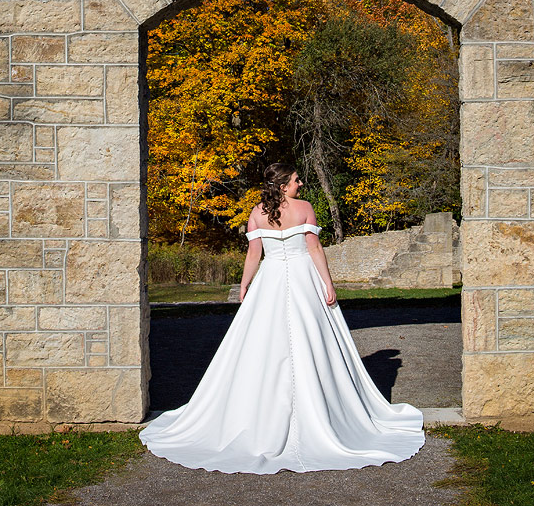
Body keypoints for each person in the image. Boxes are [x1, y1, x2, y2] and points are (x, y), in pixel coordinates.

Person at [139, 161, 426, 474]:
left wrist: (246, 284)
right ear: (283, 183)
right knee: (309, 342)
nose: (300, 184)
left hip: (270, 280)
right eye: (296, 180)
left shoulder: (255, 213)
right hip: (303, 279)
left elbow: (254, 255)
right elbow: (314, 249)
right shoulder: (304, 208)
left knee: (265, 344)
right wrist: (327, 283)